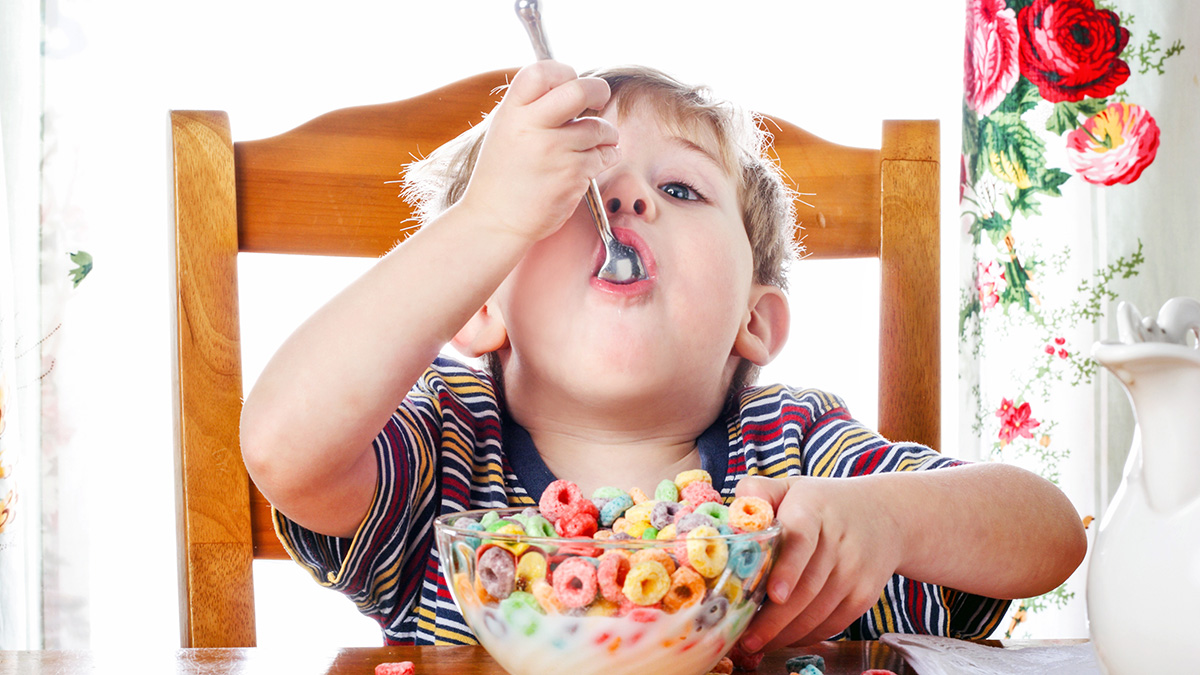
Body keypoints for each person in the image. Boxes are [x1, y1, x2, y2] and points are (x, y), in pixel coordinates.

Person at [238, 60, 1086, 650]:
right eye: (572, 194)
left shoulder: (796, 451)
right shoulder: (444, 457)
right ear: (478, 302)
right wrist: (488, 220)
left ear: (755, 321)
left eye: (680, 189)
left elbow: (1050, 536)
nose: (628, 197)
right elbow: (284, 445)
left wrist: (887, 520)